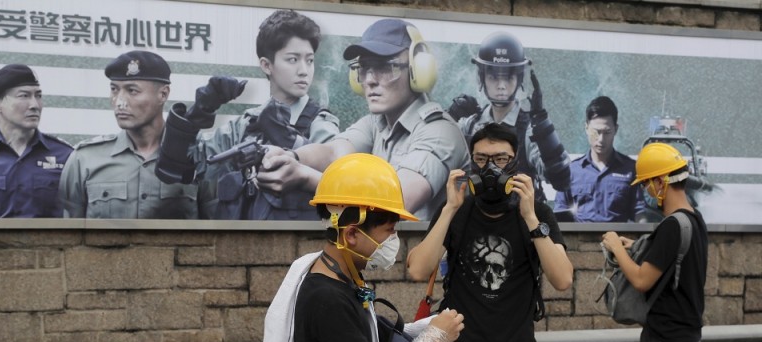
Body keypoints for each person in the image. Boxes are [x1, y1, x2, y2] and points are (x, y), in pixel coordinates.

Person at [274, 153, 464, 342]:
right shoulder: (328, 299)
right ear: (351, 234)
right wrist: (432, 341)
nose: (394, 240)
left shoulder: (334, 277)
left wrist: (417, 329)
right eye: (389, 230)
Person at [407, 122, 573, 342]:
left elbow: (563, 278)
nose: (489, 168)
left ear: (515, 163)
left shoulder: (537, 213)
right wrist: (449, 209)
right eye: (481, 160)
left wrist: (530, 219)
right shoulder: (457, 210)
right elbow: (417, 269)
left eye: (499, 159)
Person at [267, 18, 470, 221]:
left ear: (418, 69)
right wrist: (290, 157)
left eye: (385, 67)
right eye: (364, 68)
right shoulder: (376, 123)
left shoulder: (441, 132)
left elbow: (396, 202)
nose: (370, 80)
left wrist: (304, 177)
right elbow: (333, 152)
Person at [156, 9, 340, 220]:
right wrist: (198, 114)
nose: (303, 70)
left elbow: (340, 178)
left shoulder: (320, 122)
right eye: (292, 59)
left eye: (309, 60)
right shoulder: (246, 124)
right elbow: (176, 170)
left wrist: (292, 141)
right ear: (266, 65)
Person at [601, 142, 706, 342]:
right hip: (671, 330)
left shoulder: (672, 226)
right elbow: (670, 259)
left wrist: (616, 247)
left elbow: (642, 279)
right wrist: (633, 247)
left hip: (669, 336)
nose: (646, 190)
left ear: (661, 182)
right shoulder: (692, 219)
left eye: (647, 182)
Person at [58, 50, 198, 219]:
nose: (120, 102)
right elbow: (67, 236)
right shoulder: (84, 159)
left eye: (132, 91)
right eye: (114, 90)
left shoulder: (195, 156)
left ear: (163, 94)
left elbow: (217, 233)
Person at [452, 32, 570, 203]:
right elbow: (437, 145)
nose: (501, 86)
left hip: (520, 222)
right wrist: (450, 115)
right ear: (482, 78)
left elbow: (561, 179)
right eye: (493, 77)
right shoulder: (470, 125)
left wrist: (543, 126)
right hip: (477, 220)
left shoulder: (530, 130)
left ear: (519, 78)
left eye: (508, 77)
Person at [0, 64, 72, 217]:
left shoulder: (66, 156)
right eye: (24, 96)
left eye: (38, 96)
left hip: (49, 241)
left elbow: (79, 215)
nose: (35, 105)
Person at [554, 96, 645, 222]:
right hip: (579, 240)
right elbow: (560, 214)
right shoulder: (571, 171)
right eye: (596, 132)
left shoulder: (630, 170)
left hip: (617, 240)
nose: (601, 139)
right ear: (586, 128)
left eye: (607, 132)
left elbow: (639, 213)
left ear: (615, 130)